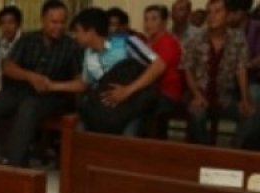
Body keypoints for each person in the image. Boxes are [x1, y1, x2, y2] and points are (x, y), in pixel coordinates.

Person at [0, 0, 80, 166]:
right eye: (54, 22)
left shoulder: (71, 46)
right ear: (43, 20)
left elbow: (80, 83)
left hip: (52, 97)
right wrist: (30, 76)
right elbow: (8, 67)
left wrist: (52, 85)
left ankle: (13, 162)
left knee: (28, 107)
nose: (59, 26)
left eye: (63, 22)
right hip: (22, 90)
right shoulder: (28, 39)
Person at [48, 7, 166, 136]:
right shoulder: (88, 54)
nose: (75, 36)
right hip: (104, 111)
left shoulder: (127, 43)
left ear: (91, 32)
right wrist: (52, 85)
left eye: (78, 31)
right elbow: (83, 84)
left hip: (132, 107)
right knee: (79, 131)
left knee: (128, 135)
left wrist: (127, 90)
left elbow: (159, 65)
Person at [184, 0, 257, 146]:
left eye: (218, 11)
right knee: (197, 115)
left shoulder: (237, 38)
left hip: (224, 97)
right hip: (198, 94)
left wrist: (244, 99)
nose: (212, 16)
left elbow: (241, 69)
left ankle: (233, 150)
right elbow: (187, 68)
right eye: (209, 12)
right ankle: (204, 153)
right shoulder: (196, 38)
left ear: (228, 15)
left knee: (252, 115)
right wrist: (197, 95)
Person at [144, 4, 184, 136]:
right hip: (150, 89)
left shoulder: (168, 42)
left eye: (154, 19)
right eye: (146, 19)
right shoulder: (148, 42)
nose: (149, 23)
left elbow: (155, 71)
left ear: (164, 22)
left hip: (167, 92)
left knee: (148, 109)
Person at [226, 0, 260, 107]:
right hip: (226, 80)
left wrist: (242, 66)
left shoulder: (257, 28)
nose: (226, 17)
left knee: (254, 95)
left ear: (239, 13)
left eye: (229, 13)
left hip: (250, 79)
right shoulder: (225, 29)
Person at [0, 5, 23, 92]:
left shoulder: (26, 42)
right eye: (3, 23)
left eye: (11, 22)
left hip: (20, 88)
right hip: (1, 87)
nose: (7, 27)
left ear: (18, 24)